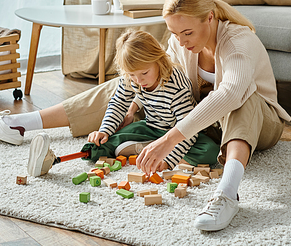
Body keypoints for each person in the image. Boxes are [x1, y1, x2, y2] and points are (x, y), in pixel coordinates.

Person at [0, 0, 291, 232]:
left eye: (188, 32)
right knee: (131, 79)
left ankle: (227, 193)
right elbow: (163, 74)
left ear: (210, 17)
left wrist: (169, 139)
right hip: (198, 119)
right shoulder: (179, 39)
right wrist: (133, 101)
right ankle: (22, 125)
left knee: (239, 99)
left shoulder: (238, 42)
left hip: (259, 123)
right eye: (175, 32)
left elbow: (229, 94)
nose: (181, 40)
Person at [25, 29, 219, 177]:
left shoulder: (176, 85)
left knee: (209, 151)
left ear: (159, 61)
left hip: (178, 132)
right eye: (133, 75)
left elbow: (188, 129)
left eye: (144, 73)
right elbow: (118, 104)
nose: (139, 80)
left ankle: (149, 150)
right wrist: (104, 130)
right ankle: (52, 160)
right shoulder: (131, 78)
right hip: (151, 127)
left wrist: (168, 161)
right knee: (102, 142)